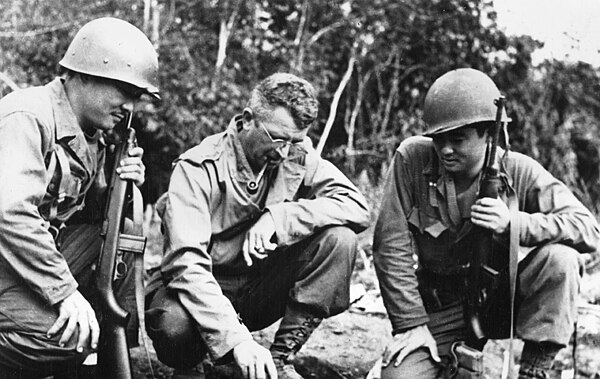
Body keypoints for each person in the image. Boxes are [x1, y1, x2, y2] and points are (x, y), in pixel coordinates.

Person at [372, 68, 600, 379]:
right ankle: (454, 363)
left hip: (503, 301)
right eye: (439, 139)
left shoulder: (519, 170)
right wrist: (411, 325)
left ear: (488, 135)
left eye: (458, 139)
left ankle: (535, 371)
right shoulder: (413, 159)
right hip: (443, 306)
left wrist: (514, 223)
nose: (445, 149)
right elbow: (390, 244)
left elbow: (587, 228)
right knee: (400, 377)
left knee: (561, 260)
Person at [145, 72, 370, 379]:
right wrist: (236, 339)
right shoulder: (198, 167)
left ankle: (278, 360)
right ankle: (194, 367)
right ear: (247, 120)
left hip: (255, 289)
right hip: (199, 290)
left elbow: (357, 207)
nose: (284, 152)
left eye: (295, 141)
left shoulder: (294, 155)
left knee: (340, 240)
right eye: (277, 138)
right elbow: (186, 265)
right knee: (173, 325)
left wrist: (281, 218)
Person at [0, 17, 159, 377]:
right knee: (69, 339)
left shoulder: (93, 134)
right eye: (125, 91)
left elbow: (87, 217)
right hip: (8, 253)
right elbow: (10, 213)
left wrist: (125, 186)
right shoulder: (27, 116)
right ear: (85, 74)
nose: (130, 107)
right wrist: (64, 292)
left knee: (126, 234)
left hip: (31, 255)